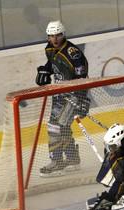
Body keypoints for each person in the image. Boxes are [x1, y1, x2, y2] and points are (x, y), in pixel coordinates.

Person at [36, 21, 90, 176]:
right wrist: (45, 70)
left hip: (72, 94)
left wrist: (81, 98)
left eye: (58, 35)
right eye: (51, 35)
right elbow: (52, 63)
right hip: (59, 94)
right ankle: (73, 159)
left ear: (63, 34)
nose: (55, 39)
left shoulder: (74, 53)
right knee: (63, 126)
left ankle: (56, 161)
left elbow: (82, 77)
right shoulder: (49, 49)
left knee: (54, 126)